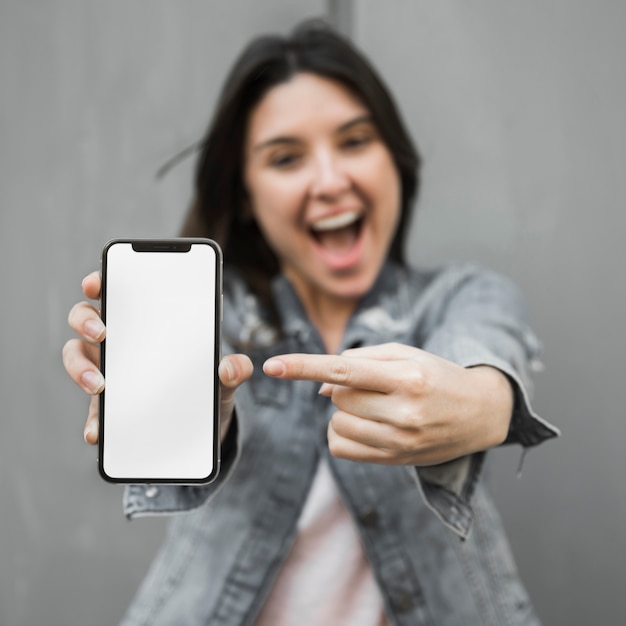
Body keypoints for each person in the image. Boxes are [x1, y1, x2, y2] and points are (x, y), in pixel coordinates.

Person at [63, 19, 559, 626]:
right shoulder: (211, 318)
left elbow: (488, 359)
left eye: (354, 142)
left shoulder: (464, 296)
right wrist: (164, 399)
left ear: (394, 160)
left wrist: (480, 407)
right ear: (245, 193)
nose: (330, 181)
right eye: (286, 157)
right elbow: (187, 415)